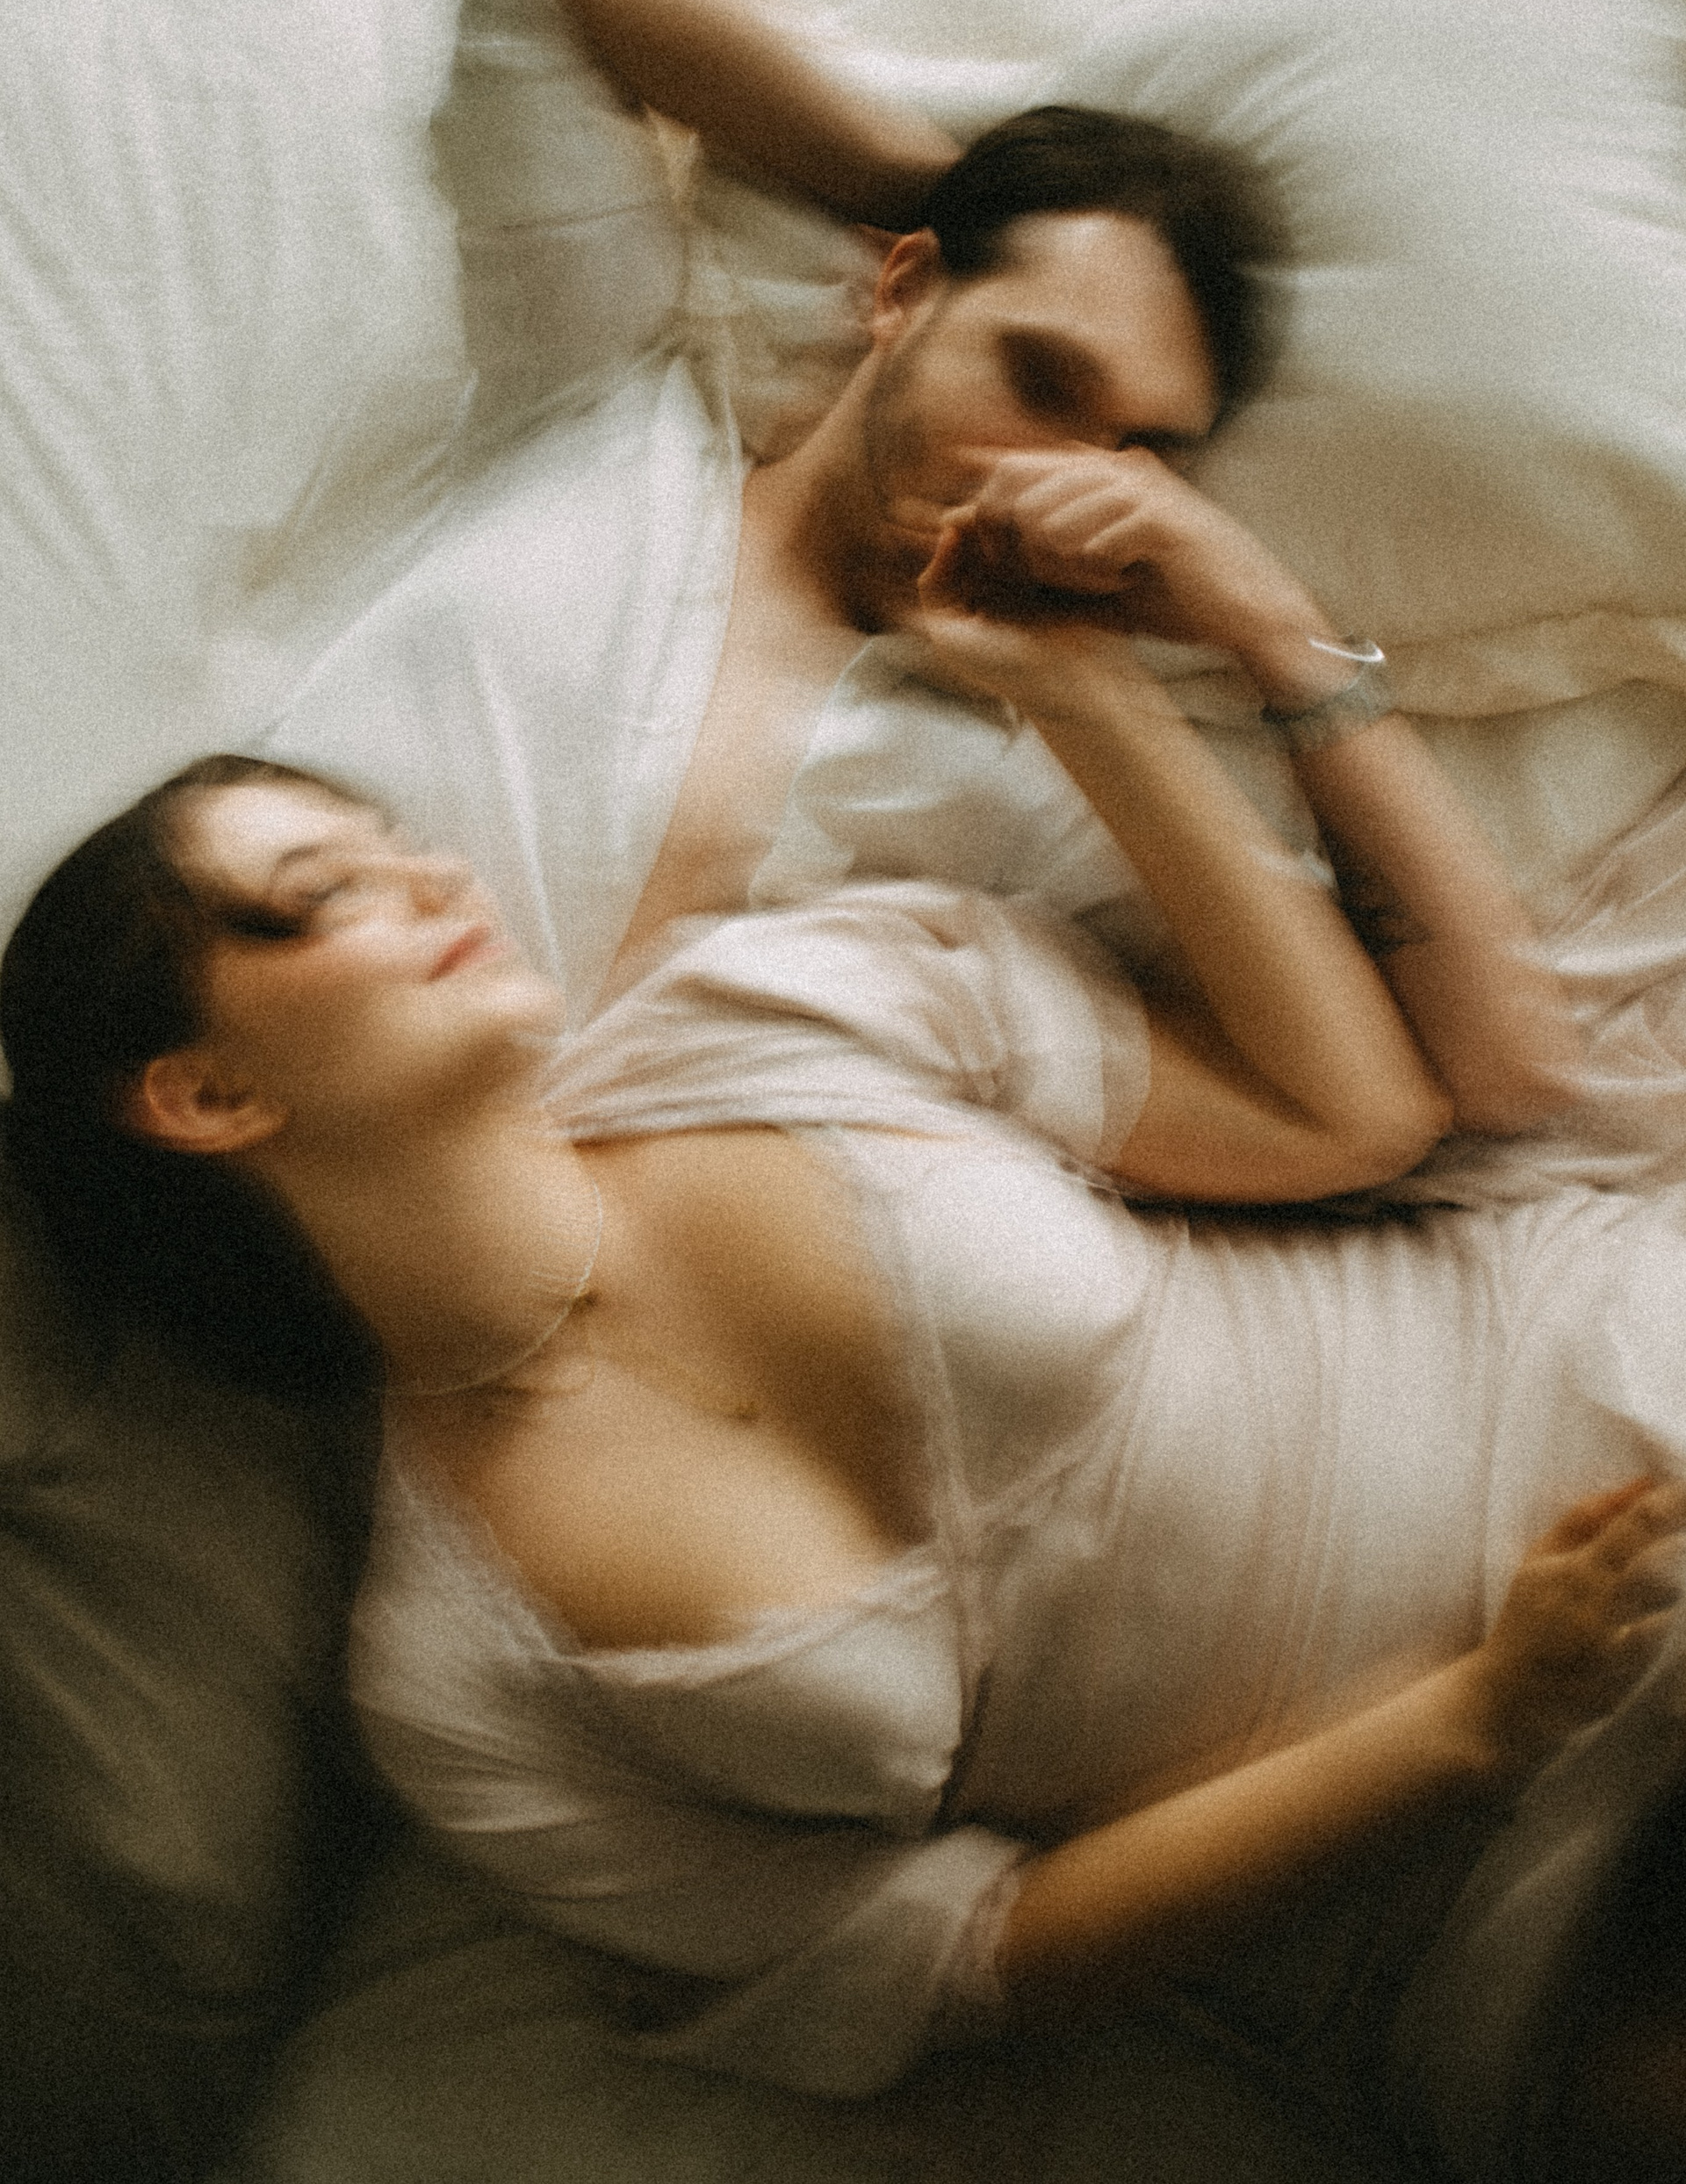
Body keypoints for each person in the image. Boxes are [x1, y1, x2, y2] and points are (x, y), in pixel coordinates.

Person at [4, 516, 1682, 2177]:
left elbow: (1350, 1114)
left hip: (1601, 1406)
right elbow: (969, 1965)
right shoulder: (459, 1686)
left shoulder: (770, 1012)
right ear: (206, 1094)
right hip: (1433, 1892)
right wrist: (1477, 1719)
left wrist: (1080, 693)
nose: (437, 878)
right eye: (322, 897)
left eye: (400, 844)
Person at [268, 0, 1577, 1156]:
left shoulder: (1031, 767)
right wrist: (919, 179)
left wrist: (1275, 633)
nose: (1059, 477)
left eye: (1135, 454)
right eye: (1039, 378)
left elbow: (1481, 1080)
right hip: (210, 1043)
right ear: (900, 293)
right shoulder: (606, 400)